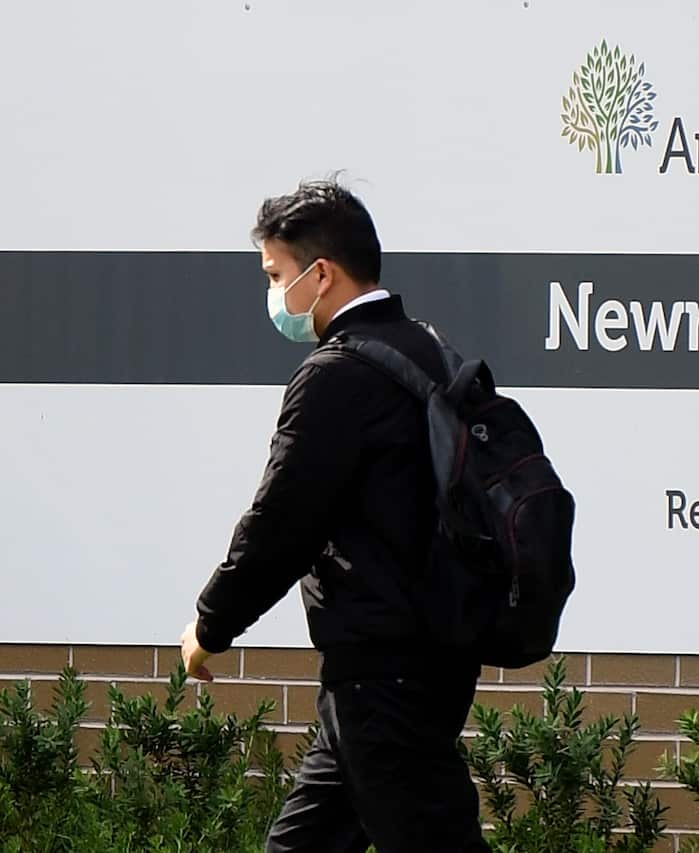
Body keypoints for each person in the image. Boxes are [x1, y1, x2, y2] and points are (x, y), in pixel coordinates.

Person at [179, 178, 491, 852]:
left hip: (385, 678)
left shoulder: (336, 376)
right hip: (418, 664)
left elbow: (281, 522)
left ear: (320, 275)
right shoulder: (431, 353)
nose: (272, 294)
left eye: (275, 274)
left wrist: (211, 622)